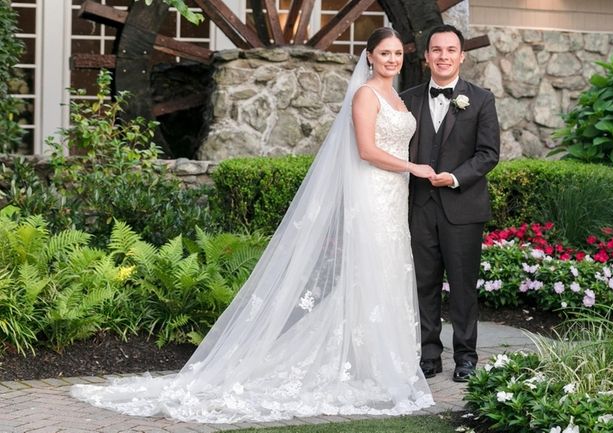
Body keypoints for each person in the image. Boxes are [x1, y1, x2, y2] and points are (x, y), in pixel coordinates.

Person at [70, 28, 436, 423]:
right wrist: (412, 167)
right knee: (371, 269)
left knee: (387, 269)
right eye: (385, 53)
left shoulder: (398, 96)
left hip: (394, 195)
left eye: (398, 53)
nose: (393, 59)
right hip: (372, 191)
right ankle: (367, 363)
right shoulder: (365, 94)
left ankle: (380, 363)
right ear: (369, 57)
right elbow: (366, 149)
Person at [401, 24, 501, 383]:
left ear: (462, 56)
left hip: (462, 208)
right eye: (436, 50)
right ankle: (429, 354)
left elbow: (489, 154)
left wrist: (455, 177)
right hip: (420, 207)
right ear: (426, 56)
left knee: (462, 286)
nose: (443, 56)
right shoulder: (407, 98)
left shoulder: (482, 99)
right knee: (423, 284)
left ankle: (466, 356)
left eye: (450, 50)